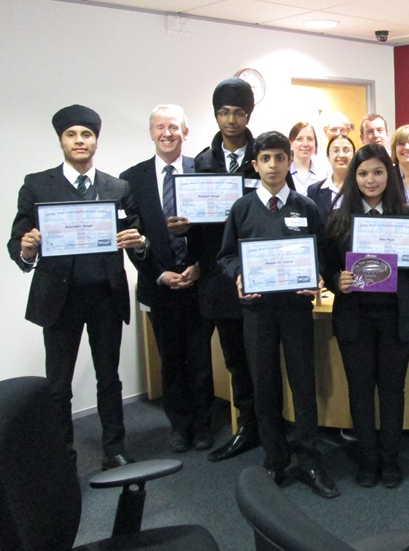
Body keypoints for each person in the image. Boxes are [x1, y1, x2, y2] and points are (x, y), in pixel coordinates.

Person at [8, 104, 148, 470]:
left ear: (96, 141)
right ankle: (61, 453)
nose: (80, 140)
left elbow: (136, 237)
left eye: (86, 134)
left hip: (105, 296)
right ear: (61, 140)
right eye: (72, 134)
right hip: (60, 299)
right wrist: (25, 250)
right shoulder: (38, 184)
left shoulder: (117, 187)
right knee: (58, 383)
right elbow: (16, 243)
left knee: (109, 378)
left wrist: (141, 243)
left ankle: (114, 448)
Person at [218, 131, 339, 498]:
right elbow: (225, 256)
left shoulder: (306, 207)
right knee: (264, 385)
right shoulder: (242, 208)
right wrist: (238, 275)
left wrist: (317, 274)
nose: (273, 166)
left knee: (303, 384)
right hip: (256, 312)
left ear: (290, 161)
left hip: (296, 309)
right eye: (265, 159)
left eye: (279, 158)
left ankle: (309, 460)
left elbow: (323, 254)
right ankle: (274, 458)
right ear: (255, 165)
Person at [322, 144, 409, 488]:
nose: (371, 180)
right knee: (360, 390)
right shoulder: (338, 220)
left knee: (393, 391)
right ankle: (368, 461)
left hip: (396, 317)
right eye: (363, 173)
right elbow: (326, 266)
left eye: (378, 172)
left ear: (390, 175)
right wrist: (337, 280)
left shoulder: (408, 216)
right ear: (354, 177)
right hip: (355, 317)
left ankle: (391, 460)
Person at [120, 104, 215, 453]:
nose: (167, 133)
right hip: (159, 287)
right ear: (151, 133)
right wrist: (159, 274)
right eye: (160, 127)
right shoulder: (131, 178)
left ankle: (204, 425)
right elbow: (130, 236)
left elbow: (216, 230)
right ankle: (179, 425)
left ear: (185, 133)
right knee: (171, 360)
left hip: (197, 283)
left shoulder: (203, 171)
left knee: (201, 359)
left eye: (174, 127)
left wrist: (200, 266)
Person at [194, 77, 261, 462]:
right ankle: (246, 427)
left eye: (238, 112)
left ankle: (268, 426)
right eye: (223, 112)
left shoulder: (265, 154)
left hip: (263, 273)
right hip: (221, 278)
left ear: (248, 114)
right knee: (235, 359)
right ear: (216, 115)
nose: (231, 120)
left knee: (264, 357)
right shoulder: (201, 163)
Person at [307, 134, 356, 222]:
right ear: (328, 157)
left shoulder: (361, 189)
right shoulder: (314, 191)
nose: (341, 155)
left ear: (354, 156)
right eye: (335, 150)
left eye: (346, 150)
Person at [289, 121, 327, 193]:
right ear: (291, 143)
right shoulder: (284, 173)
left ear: (315, 144)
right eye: (299, 139)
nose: (305, 144)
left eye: (310, 139)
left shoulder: (324, 173)